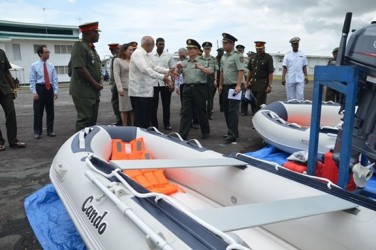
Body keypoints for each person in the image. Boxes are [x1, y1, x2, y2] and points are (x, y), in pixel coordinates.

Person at [129, 35, 173, 129]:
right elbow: (145, 69)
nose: (154, 48)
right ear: (149, 45)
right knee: (141, 120)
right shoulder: (139, 54)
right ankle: (139, 140)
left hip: (146, 92)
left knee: (146, 118)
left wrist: (168, 71)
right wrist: (162, 77)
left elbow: (153, 67)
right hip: (139, 93)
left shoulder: (146, 54)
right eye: (153, 45)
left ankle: (145, 137)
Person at [69, 21, 103, 132]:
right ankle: (80, 144)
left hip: (92, 90)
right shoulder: (79, 46)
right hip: (84, 91)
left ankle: (89, 143)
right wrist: (95, 83)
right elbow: (79, 68)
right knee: (85, 120)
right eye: (96, 32)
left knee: (92, 121)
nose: (98, 35)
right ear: (89, 32)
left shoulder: (90, 47)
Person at [178, 39, 212, 140]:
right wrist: (178, 69)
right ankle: (183, 134)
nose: (190, 50)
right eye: (188, 48)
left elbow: (210, 72)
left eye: (192, 49)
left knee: (201, 111)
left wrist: (201, 68)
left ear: (197, 50)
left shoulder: (203, 61)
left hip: (199, 88)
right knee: (186, 111)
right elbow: (178, 73)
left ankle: (205, 131)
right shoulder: (184, 62)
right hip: (187, 88)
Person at [218, 33, 245, 144]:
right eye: (223, 43)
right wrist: (220, 85)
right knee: (226, 110)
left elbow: (241, 70)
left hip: (234, 86)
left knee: (233, 111)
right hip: (225, 86)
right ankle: (232, 131)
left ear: (232, 44)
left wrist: (238, 85)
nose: (223, 45)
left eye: (225, 43)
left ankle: (232, 135)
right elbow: (222, 72)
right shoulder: (224, 56)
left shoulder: (237, 56)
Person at [29, 45, 58, 139]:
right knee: (38, 111)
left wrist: (56, 90)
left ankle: (50, 131)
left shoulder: (51, 66)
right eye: (46, 52)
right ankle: (37, 131)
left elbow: (54, 79)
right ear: (40, 53)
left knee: (50, 111)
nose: (48, 54)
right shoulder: (34, 66)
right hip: (39, 88)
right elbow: (32, 80)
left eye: (48, 52)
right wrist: (34, 92)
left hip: (49, 88)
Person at [0, 49, 26, 150]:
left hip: (4, 89)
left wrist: (13, 87)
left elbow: (6, 71)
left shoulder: (1, 53)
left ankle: (13, 140)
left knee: (11, 113)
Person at [151, 38, 176, 130]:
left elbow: (173, 70)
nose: (161, 46)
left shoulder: (169, 55)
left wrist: (173, 84)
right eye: (160, 44)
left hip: (166, 83)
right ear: (156, 44)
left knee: (166, 105)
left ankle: (167, 123)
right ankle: (154, 125)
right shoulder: (150, 55)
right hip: (153, 83)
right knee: (153, 105)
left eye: (163, 44)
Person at [245, 41, 274, 113]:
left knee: (260, 104)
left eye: (260, 49)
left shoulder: (268, 57)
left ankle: (261, 117)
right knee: (253, 102)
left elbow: (270, 72)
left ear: (264, 48)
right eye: (257, 49)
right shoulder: (253, 57)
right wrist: (247, 82)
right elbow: (250, 71)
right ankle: (255, 117)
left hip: (263, 84)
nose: (258, 51)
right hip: (253, 84)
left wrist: (269, 85)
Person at [113, 43, 135, 127]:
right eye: (130, 50)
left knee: (133, 109)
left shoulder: (133, 60)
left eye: (132, 50)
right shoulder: (118, 60)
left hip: (134, 87)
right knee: (124, 109)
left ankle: (133, 126)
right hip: (124, 88)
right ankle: (125, 127)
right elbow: (116, 75)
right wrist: (120, 89)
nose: (132, 52)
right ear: (124, 51)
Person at [281, 37, 309, 101]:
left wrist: (306, 76)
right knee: (290, 98)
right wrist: (283, 78)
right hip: (290, 79)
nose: (296, 46)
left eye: (297, 44)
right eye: (294, 44)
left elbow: (304, 66)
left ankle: (300, 110)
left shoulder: (302, 54)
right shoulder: (287, 55)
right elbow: (285, 67)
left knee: (300, 96)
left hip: (300, 79)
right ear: (291, 45)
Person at [202, 41, 218, 120]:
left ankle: (209, 114)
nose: (207, 50)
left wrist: (215, 80)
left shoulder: (213, 59)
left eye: (208, 49)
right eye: (205, 49)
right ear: (203, 49)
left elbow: (215, 70)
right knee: (201, 97)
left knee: (210, 97)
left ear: (210, 49)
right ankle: (202, 113)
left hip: (210, 79)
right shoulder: (200, 58)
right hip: (202, 79)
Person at [108, 43, 122, 126]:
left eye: (112, 50)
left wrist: (114, 85)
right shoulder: (115, 58)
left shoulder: (116, 58)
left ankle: (119, 119)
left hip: (117, 84)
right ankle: (120, 119)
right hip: (115, 83)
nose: (111, 52)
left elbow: (116, 74)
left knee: (115, 102)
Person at [216, 48, 224, 112]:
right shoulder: (215, 59)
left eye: (221, 52)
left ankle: (222, 106)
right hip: (216, 77)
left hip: (222, 78)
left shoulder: (224, 58)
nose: (220, 53)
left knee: (222, 94)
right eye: (219, 52)